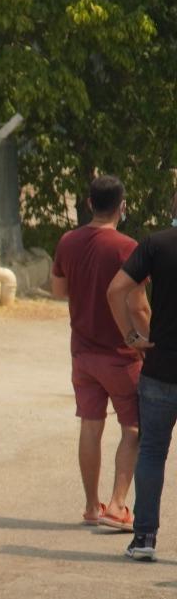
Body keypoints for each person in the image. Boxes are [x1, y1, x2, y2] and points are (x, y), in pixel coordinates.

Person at [51, 174, 139, 530]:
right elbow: (139, 305)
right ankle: (118, 505)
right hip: (120, 353)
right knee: (133, 428)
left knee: (91, 425)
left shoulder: (68, 241)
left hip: (81, 352)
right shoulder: (127, 247)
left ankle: (91, 506)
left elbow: (58, 291)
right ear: (122, 206)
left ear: (88, 203)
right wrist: (144, 343)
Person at [106, 192, 177, 562]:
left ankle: (145, 537)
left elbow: (116, 289)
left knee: (151, 452)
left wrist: (131, 337)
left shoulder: (156, 244)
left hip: (161, 366)